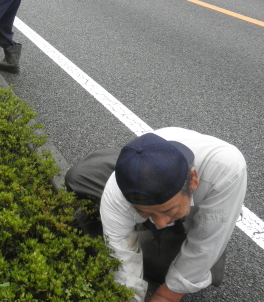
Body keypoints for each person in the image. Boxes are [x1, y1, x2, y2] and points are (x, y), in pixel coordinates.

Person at [64, 128, 247, 302]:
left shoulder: (227, 169)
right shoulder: (116, 194)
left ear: (193, 179)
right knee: (81, 176)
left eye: (169, 210)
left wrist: (167, 295)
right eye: (143, 211)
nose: (160, 223)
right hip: (143, 170)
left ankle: (180, 237)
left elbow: (207, 242)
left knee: (170, 266)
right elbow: (122, 255)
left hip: (205, 201)